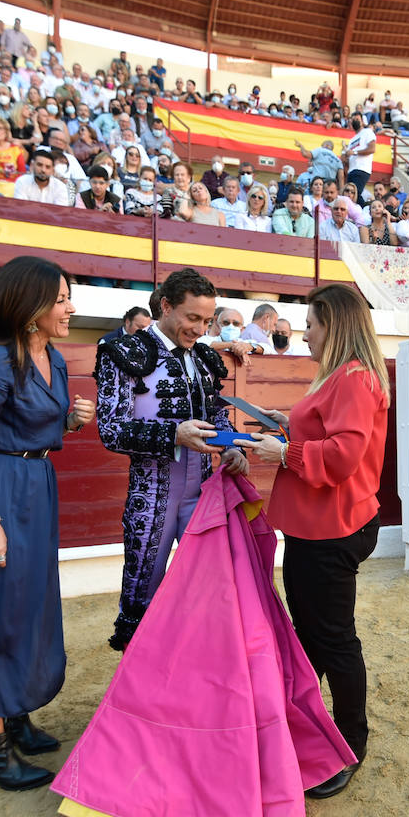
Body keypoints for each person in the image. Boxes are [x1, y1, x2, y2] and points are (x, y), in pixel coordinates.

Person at [0, 255, 96, 790]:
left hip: (33, 490)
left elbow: (31, 429)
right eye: (61, 298)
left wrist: (68, 423)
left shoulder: (50, 355)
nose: (71, 307)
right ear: (30, 308)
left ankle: (16, 714)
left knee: (27, 608)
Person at [236, 283, 391, 799]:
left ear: (334, 326)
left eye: (311, 324)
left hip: (331, 528)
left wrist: (284, 453)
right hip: (323, 524)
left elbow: (343, 456)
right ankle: (306, 726)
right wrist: (288, 426)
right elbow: (329, 437)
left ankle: (349, 745)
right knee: (315, 636)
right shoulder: (347, 377)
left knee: (331, 639)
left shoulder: (352, 378)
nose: (303, 333)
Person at [94, 269, 247, 650]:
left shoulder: (205, 359)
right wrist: (172, 435)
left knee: (215, 586)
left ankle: (196, 677)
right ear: (165, 306)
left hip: (203, 490)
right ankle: (141, 691)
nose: (200, 329)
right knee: (142, 590)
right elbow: (111, 429)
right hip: (153, 495)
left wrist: (232, 446)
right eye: (192, 318)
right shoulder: (124, 352)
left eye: (206, 321)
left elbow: (214, 415)